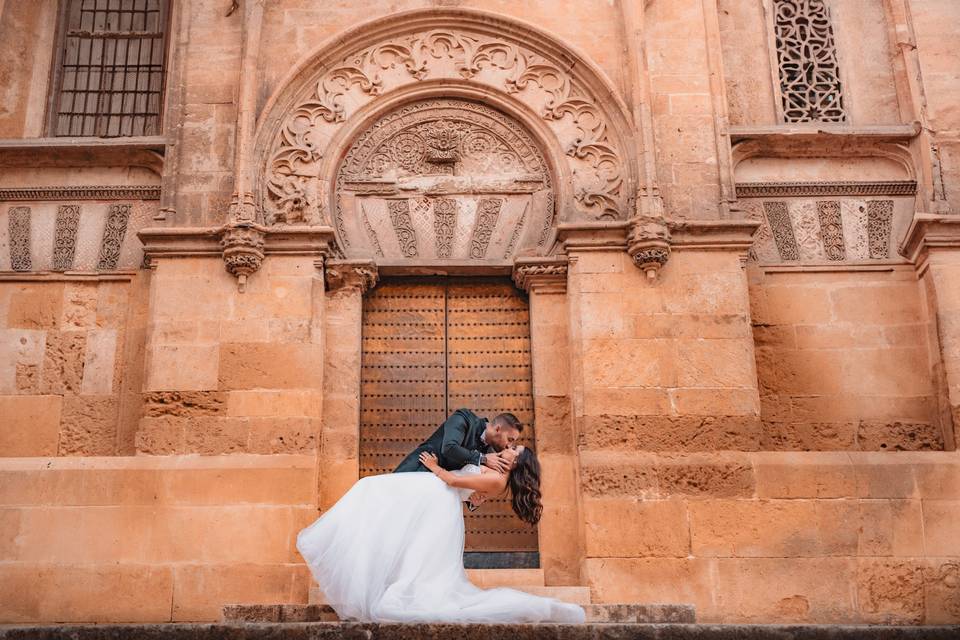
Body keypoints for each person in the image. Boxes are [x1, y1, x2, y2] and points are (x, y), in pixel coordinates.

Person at [295, 444, 586, 623]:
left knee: (370, 489)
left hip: (436, 492)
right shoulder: (494, 470)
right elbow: (471, 494)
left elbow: (450, 479)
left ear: (516, 464)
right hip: (435, 498)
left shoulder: (498, 478)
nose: (511, 448)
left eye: (515, 451)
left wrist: (433, 464)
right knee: (374, 496)